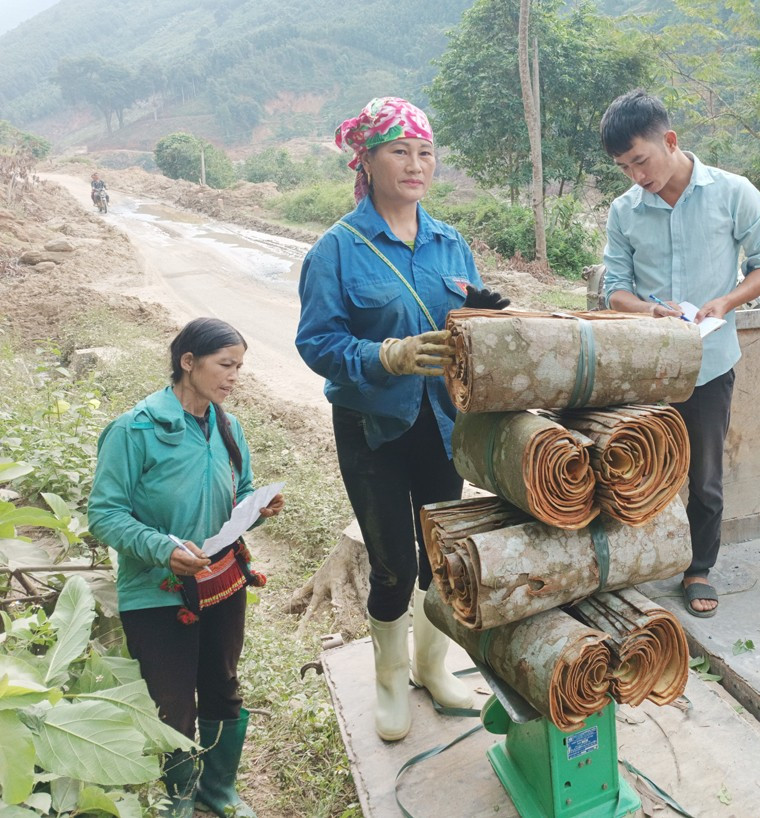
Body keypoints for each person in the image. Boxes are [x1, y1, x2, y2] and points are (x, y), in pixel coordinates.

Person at [295, 97, 508, 742]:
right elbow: (316, 342)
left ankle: (430, 669)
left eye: (425, 152)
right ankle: (388, 681)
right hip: (373, 432)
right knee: (391, 564)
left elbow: (466, 325)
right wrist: (388, 354)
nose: (416, 165)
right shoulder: (337, 249)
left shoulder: (450, 243)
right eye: (399, 151)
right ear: (367, 160)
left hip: (442, 427)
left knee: (438, 554)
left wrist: (486, 315)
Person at [90, 318, 284, 818]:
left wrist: (255, 510)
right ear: (188, 362)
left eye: (239, 367)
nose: (233, 377)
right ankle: (177, 796)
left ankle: (219, 792)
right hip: (156, 589)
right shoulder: (134, 429)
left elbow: (240, 492)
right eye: (225, 365)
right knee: (171, 699)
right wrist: (161, 548)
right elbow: (104, 514)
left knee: (222, 683)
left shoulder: (227, 425)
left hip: (221, 583)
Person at [600, 90, 760, 618]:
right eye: (624, 167)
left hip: (711, 362)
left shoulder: (732, 193)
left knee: (703, 475)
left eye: (641, 160)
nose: (637, 175)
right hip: (647, 369)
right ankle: (633, 563)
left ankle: (699, 568)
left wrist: (726, 300)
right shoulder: (624, 212)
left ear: (670, 141)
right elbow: (615, 289)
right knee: (634, 470)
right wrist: (646, 311)